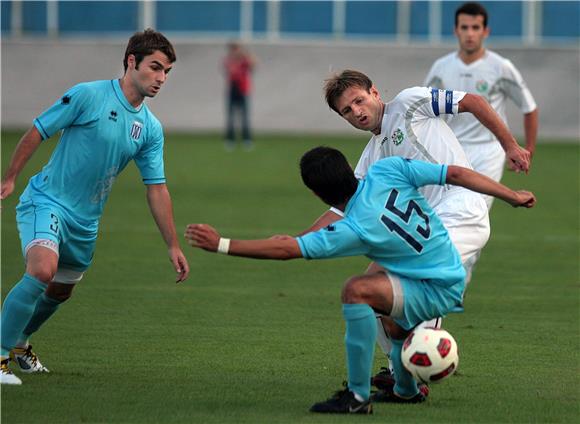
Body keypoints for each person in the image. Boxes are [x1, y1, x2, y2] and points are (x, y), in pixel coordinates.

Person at [185, 146, 536, 414]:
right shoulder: (388, 169)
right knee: (384, 303)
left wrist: (222, 244)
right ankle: (405, 389)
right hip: (445, 270)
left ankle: (356, 397)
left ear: (318, 194)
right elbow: (456, 173)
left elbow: (285, 249)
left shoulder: (352, 229)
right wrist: (512, 196)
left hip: (434, 287)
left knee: (356, 291)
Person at [308, 69, 531, 395]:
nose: (356, 111)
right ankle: (402, 377)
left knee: (421, 287)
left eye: (358, 100)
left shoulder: (411, 103)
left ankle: (424, 351)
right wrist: (299, 240)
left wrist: (510, 145)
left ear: (375, 92)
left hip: (460, 214)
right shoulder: (372, 156)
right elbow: (342, 207)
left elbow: (473, 101)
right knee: (368, 292)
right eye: (346, 110)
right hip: (423, 232)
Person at [0, 29, 190, 386]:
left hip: (86, 221)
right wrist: (10, 178)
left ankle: (21, 344)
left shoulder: (149, 128)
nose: (162, 78)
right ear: (131, 62)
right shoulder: (89, 95)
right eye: (156, 67)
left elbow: (157, 189)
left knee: (60, 289)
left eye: (167, 71)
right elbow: (39, 130)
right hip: (47, 201)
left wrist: (172, 244)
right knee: (42, 270)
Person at [424, 2, 538, 209]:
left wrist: (528, 149)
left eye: (475, 28)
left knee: (474, 210)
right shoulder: (441, 68)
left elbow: (529, 107)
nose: (469, 34)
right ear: (455, 30)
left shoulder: (501, 67)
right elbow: (424, 107)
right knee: (445, 209)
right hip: (451, 149)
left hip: (488, 152)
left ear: (485, 31)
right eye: (464, 27)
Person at [223, 41, 256, 151]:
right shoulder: (229, 60)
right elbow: (230, 71)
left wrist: (246, 55)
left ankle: (247, 139)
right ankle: (230, 139)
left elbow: (254, 65)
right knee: (231, 117)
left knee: (245, 117)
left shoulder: (245, 60)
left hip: (244, 90)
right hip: (233, 89)